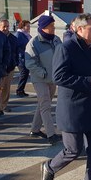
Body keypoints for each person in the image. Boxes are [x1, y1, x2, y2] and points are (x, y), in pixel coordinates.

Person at [41, 13, 91, 180]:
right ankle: (49, 167)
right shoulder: (66, 48)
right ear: (79, 29)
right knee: (73, 149)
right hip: (73, 109)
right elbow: (59, 77)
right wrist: (88, 82)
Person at [26, 15, 62, 145]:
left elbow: (62, 56)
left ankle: (35, 130)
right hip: (40, 79)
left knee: (43, 104)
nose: (53, 28)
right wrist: (42, 73)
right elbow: (29, 63)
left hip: (53, 78)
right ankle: (51, 134)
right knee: (46, 105)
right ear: (44, 28)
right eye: (51, 26)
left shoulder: (57, 40)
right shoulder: (33, 43)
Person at [0, 19, 18, 116]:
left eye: (7, 26)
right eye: (3, 26)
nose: (6, 28)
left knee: (6, 88)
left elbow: (15, 51)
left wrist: (15, 62)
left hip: (10, 67)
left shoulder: (13, 38)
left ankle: (4, 105)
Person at [15, 20, 32, 97]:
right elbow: (18, 46)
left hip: (26, 57)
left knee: (25, 73)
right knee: (24, 73)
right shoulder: (19, 35)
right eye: (27, 26)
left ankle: (21, 89)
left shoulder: (26, 35)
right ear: (22, 26)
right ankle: (19, 90)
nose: (29, 28)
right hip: (21, 57)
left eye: (29, 26)